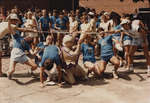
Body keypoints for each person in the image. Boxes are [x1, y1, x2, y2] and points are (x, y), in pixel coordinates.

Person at [7, 14, 38, 79]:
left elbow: (32, 53)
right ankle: (9, 74)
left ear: (29, 40)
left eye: (29, 38)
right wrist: (9, 21)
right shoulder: (17, 36)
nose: (28, 37)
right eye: (28, 36)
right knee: (12, 70)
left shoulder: (27, 45)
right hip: (15, 53)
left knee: (35, 66)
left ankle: (30, 71)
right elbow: (10, 29)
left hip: (22, 55)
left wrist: (36, 51)